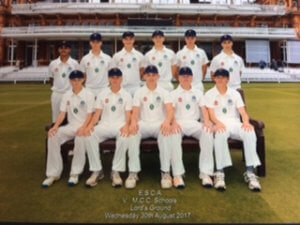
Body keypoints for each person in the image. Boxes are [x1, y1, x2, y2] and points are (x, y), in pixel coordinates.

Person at [205, 68, 262, 192]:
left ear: (228, 79)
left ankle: (250, 173)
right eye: (217, 77)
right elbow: (211, 115)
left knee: (249, 131)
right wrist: (218, 124)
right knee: (219, 135)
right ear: (214, 78)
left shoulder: (235, 93)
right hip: (219, 123)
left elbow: (243, 112)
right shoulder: (209, 94)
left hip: (234, 123)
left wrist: (246, 123)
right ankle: (219, 173)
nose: (220, 80)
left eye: (223, 77)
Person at [129, 65, 185, 189]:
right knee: (132, 134)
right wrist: (133, 122)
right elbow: (136, 112)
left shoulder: (164, 92)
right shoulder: (139, 92)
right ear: (144, 77)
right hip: (143, 123)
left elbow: (170, 110)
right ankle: (133, 172)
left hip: (159, 123)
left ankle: (165, 172)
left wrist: (167, 121)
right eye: (148, 75)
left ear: (158, 76)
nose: (151, 77)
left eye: (154, 75)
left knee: (166, 134)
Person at [42, 70, 94, 188]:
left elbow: (90, 115)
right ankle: (53, 174)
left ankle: (75, 173)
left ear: (83, 80)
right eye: (73, 80)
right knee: (53, 136)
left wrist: (84, 127)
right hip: (70, 126)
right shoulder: (66, 95)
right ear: (70, 81)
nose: (76, 82)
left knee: (80, 138)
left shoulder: (88, 94)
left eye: (78, 80)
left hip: (83, 126)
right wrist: (54, 127)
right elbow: (62, 114)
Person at [170, 67, 215, 188]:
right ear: (178, 78)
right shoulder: (173, 94)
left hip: (194, 123)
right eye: (183, 76)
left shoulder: (198, 93)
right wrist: (173, 123)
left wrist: (206, 122)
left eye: (188, 76)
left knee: (207, 132)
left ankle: (205, 173)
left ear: (192, 78)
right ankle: (177, 175)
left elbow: (204, 110)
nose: (185, 78)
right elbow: (171, 112)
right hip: (179, 123)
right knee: (173, 135)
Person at [48, 41, 79, 122]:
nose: (63, 50)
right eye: (61, 48)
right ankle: (56, 134)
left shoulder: (75, 63)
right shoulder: (53, 64)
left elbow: (78, 79)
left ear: (70, 50)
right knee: (56, 117)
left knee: (72, 117)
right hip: (57, 94)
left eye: (66, 48)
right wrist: (58, 88)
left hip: (71, 94)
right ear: (58, 50)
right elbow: (51, 79)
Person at [111, 31, 144, 96]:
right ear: (123, 40)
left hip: (136, 87)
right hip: (121, 86)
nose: (128, 41)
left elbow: (142, 70)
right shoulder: (117, 56)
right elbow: (114, 71)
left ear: (133, 40)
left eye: (130, 39)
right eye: (126, 39)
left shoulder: (139, 55)